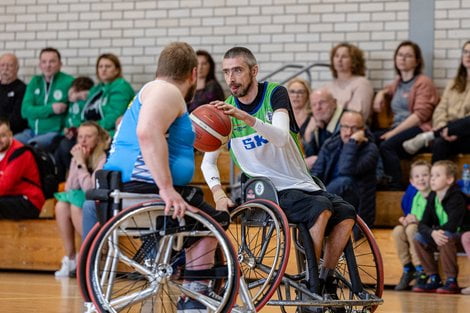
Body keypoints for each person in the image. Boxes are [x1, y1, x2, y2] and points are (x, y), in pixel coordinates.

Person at [201, 47, 356, 311]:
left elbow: (282, 137)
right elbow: (208, 162)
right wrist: (218, 193)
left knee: (347, 213)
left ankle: (325, 279)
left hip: (301, 184)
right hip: (265, 190)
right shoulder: (224, 112)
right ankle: (312, 285)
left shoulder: (275, 93)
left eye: (237, 70)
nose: (231, 78)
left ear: (253, 71)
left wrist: (246, 118)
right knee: (321, 209)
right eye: (226, 72)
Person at [83, 42, 229, 312]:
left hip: (123, 188)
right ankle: (193, 295)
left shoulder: (153, 91)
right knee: (216, 221)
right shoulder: (167, 91)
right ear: (193, 74)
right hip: (143, 190)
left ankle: (181, 270)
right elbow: (147, 132)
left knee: (198, 211)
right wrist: (166, 188)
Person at [373, 41, 439, 189]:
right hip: (398, 128)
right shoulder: (398, 82)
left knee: (387, 145)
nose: (402, 58)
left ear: (417, 61)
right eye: (400, 55)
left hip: (419, 128)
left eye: (408, 56)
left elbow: (420, 115)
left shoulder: (423, 82)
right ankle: (378, 178)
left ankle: (394, 185)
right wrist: (381, 94)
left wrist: (393, 133)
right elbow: (388, 89)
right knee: (369, 138)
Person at [53, 121, 109, 277]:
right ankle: (71, 258)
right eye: (80, 137)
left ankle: (91, 255)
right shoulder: (77, 156)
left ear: (97, 139)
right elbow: (70, 187)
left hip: (100, 205)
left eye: (88, 137)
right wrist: (78, 161)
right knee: (61, 205)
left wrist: (81, 164)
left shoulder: (103, 158)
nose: (83, 141)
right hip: (83, 201)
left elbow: (90, 190)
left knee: (76, 206)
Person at [402, 40, 470, 162]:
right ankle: (435, 180)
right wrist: (442, 126)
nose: (468, 56)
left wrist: (457, 131)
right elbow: (441, 108)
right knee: (440, 144)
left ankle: (430, 136)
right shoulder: (454, 83)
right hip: (446, 131)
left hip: (467, 134)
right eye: (465, 52)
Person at [311, 110, 379, 227]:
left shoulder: (370, 149)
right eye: (345, 127)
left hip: (356, 203)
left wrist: (352, 143)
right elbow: (317, 172)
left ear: (363, 130)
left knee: (345, 181)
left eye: (354, 128)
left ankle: (321, 205)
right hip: (331, 199)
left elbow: (346, 170)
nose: (348, 132)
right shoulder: (330, 144)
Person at [412, 160, 466, 294]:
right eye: (432, 175)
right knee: (418, 237)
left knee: (445, 235)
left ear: (449, 179)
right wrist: (432, 233)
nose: (432, 179)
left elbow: (452, 226)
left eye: (437, 175)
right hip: (441, 235)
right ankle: (434, 277)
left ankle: (451, 280)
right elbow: (423, 224)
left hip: (461, 235)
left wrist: (434, 232)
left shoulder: (457, 197)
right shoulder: (433, 196)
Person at [15, 47, 74, 151]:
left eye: (52, 61)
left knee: (32, 147)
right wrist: (51, 109)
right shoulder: (35, 81)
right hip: (31, 131)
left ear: (60, 64)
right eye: (44, 62)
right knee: (10, 143)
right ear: (40, 65)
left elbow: (74, 110)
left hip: (54, 132)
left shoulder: (69, 82)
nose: (48, 65)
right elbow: (25, 111)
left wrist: (68, 128)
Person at [392, 160, 431, 291]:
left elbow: (435, 220)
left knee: (412, 229)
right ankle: (408, 268)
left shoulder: (435, 195)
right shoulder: (416, 197)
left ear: (431, 177)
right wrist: (407, 220)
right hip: (419, 229)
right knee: (398, 230)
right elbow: (414, 217)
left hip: (431, 232)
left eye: (425, 175)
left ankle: (421, 269)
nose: (421, 179)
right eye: (417, 176)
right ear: (412, 181)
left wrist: (415, 222)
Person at [0, 118, 45, 219]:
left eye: (2, 136)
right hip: (9, 198)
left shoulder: (20, 153)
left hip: (29, 200)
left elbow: (3, 186)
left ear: (10, 135)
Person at [54, 76, 94, 181]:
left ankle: (72, 175)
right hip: (71, 135)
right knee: (56, 148)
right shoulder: (72, 103)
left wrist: (76, 130)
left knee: (65, 147)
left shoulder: (86, 102)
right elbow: (68, 121)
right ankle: (61, 180)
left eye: (74, 91)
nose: (71, 94)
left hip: (81, 136)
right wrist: (66, 129)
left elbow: (84, 122)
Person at [323, 42, 374, 121]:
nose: (339, 60)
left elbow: (358, 115)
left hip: (351, 129)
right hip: (326, 127)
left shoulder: (362, 83)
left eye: (344, 56)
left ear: (354, 61)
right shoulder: (327, 86)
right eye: (336, 56)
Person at [303, 88, 344, 169]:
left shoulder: (346, 122)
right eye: (314, 104)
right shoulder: (317, 122)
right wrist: (308, 134)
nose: (318, 108)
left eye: (322, 102)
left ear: (334, 103)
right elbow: (312, 155)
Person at [0, 53, 27, 135]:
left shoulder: (22, 89)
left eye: (10, 66)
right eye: (2, 65)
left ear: (17, 68)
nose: (5, 69)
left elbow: (17, 119)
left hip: (12, 132)